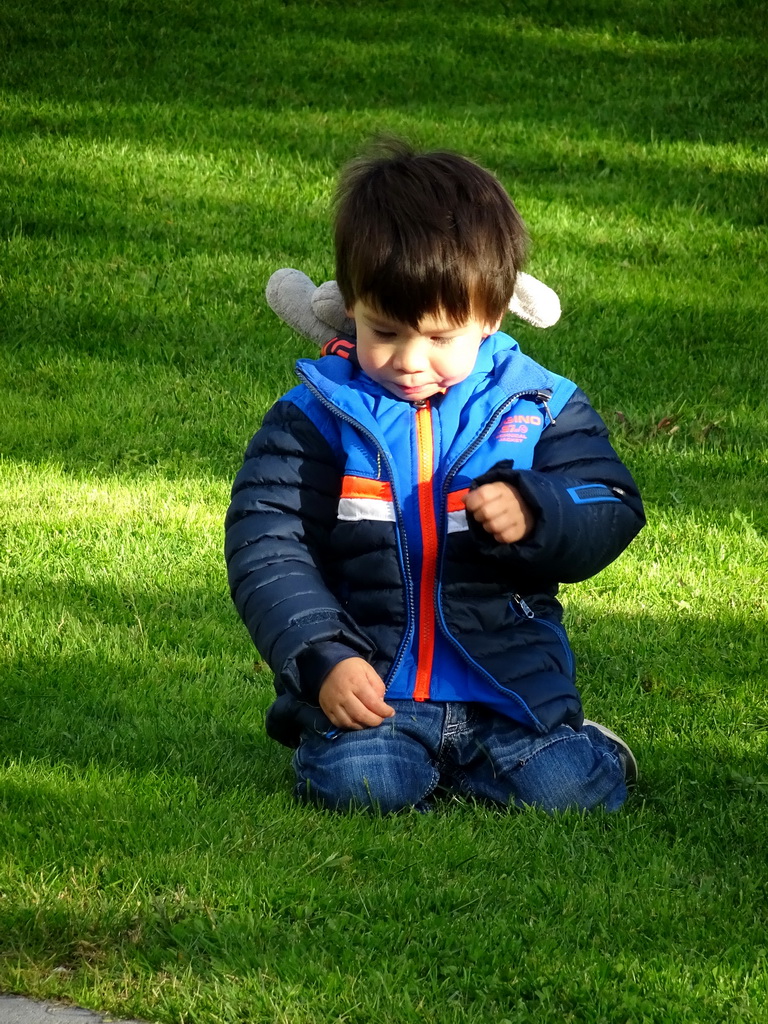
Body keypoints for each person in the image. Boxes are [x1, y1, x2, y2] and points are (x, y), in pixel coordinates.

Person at [225, 139, 645, 813]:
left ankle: (575, 749)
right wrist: (323, 657)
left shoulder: (539, 405)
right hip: (377, 686)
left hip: (508, 687)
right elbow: (266, 544)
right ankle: (386, 752)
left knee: (572, 793)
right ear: (352, 306)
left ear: (491, 314)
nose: (410, 360)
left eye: (440, 337)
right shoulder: (316, 415)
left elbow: (612, 501)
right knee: (363, 786)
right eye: (384, 332)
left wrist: (540, 510)